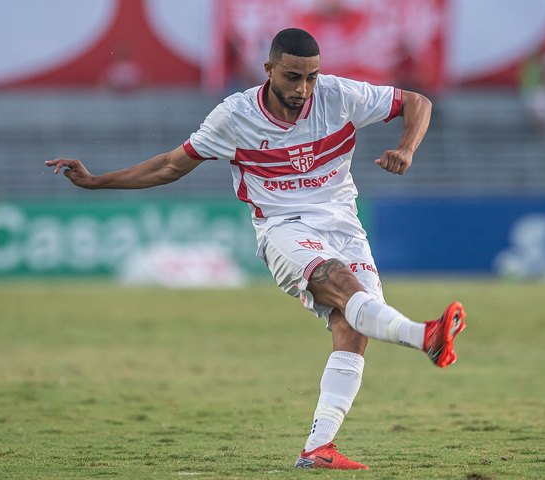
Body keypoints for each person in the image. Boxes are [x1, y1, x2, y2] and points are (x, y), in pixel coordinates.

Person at [45, 28, 466, 471]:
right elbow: (170, 165)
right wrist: (97, 181)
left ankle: (318, 447)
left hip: (344, 225)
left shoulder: (339, 95)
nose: (303, 89)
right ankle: (426, 336)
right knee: (343, 286)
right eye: (292, 77)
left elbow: (418, 102)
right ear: (268, 70)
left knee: (353, 326)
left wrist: (406, 148)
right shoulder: (235, 116)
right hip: (283, 228)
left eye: (311, 77)